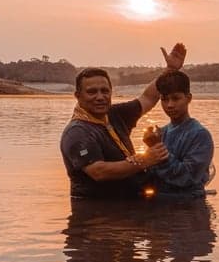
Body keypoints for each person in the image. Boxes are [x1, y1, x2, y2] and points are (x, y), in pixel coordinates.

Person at [60, 43, 187, 199]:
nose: (100, 97)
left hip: (130, 203)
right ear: (77, 96)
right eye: (92, 92)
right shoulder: (77, 132)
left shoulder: (114, 114)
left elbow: (147, 98)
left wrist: (170, 70)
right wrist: (145, 160)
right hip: (95, 213)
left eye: (105, 91)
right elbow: (98, 171)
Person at [147, 70, 215, 198]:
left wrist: (159, 149)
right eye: (164, 99)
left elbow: (186, 177)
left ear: (188, 98)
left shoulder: (200, 135)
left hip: (189, 207)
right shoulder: (162, 132)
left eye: (176, 98)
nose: (170, 105)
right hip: (161, 205)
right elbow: (152, 175)